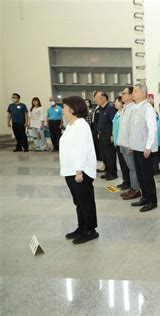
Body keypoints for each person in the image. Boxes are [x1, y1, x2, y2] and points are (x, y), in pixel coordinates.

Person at [60, 96, 99, 244]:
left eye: (64, 107)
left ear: (73, 108)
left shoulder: (81, 125)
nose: (62, 109)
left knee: (86, 201)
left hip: (79, 171)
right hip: (70, 170)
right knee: (79, 202)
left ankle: (90, 230)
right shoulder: (71, 125)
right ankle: (81, 227)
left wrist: (78, 171)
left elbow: (81, 150)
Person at [129, 83, 158, 212]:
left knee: (147, 176)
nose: (133, 93)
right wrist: (132, 144)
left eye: (135, 91)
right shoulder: (136, 107)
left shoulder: (148, 108)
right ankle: (145, 197)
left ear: (143, 93)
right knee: (140, 175)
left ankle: (152, 200)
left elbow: (152, 129)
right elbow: (134, 128)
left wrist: (148, 147)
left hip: (145, 149)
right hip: (137, 147)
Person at [116, 87, 141, 201]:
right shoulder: (125, 108)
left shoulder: (134, 109)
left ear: (131, 96)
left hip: (129, 144)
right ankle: (132, 187)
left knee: (133, 168)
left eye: (124, 93)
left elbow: (133, 128)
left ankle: (136, 190)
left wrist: (131, 144)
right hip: (123, 143)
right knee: (130, 168)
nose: (122, 95)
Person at [94, 91, 117, 180]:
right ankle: (108, 172)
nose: (96, 100)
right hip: (102, 134)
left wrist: (112, 135)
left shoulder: (110, 108)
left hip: (108, 135)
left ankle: (113, 173)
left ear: (103, 98)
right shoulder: (101, 108)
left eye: (97, 98)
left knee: (110, 155)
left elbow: (113, 123)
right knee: (104, 155)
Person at [112, 96, 131, 191]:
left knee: (126, 164)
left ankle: (128, 182)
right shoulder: (117, 114)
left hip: (123, 142)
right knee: (122, 164)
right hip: (117, 141)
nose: (115, 103)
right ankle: (125, 180)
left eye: (117, 101)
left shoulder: (124, 113)